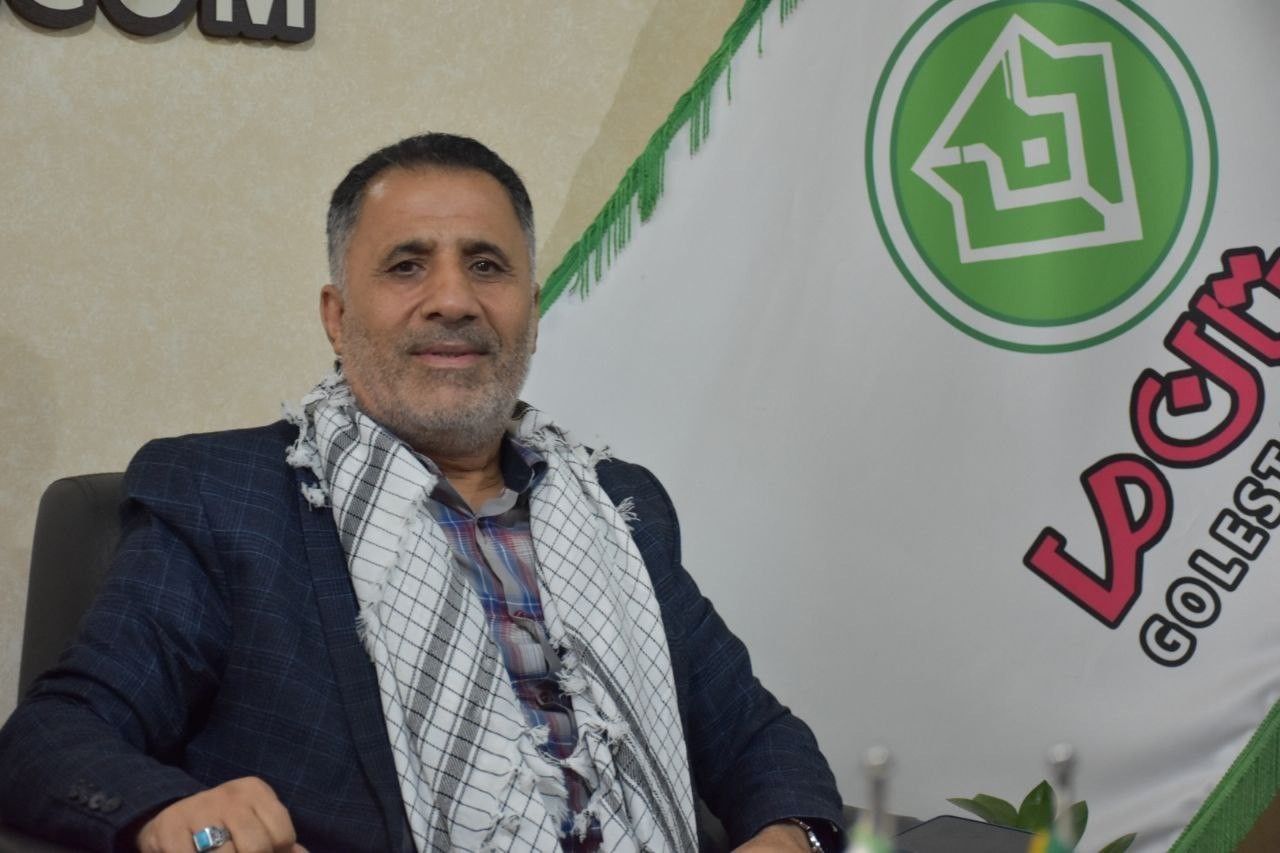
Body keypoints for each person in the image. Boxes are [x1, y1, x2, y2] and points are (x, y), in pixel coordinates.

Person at [0, 134, 844, 853]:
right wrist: (173, 814)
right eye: (407, 266)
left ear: (530, 311)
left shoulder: (617, 505)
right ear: (337, 316)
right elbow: (52, 734)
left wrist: (792, 834)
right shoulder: (227, 498)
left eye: (487, 266)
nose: (452, 299)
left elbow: (758, 737)